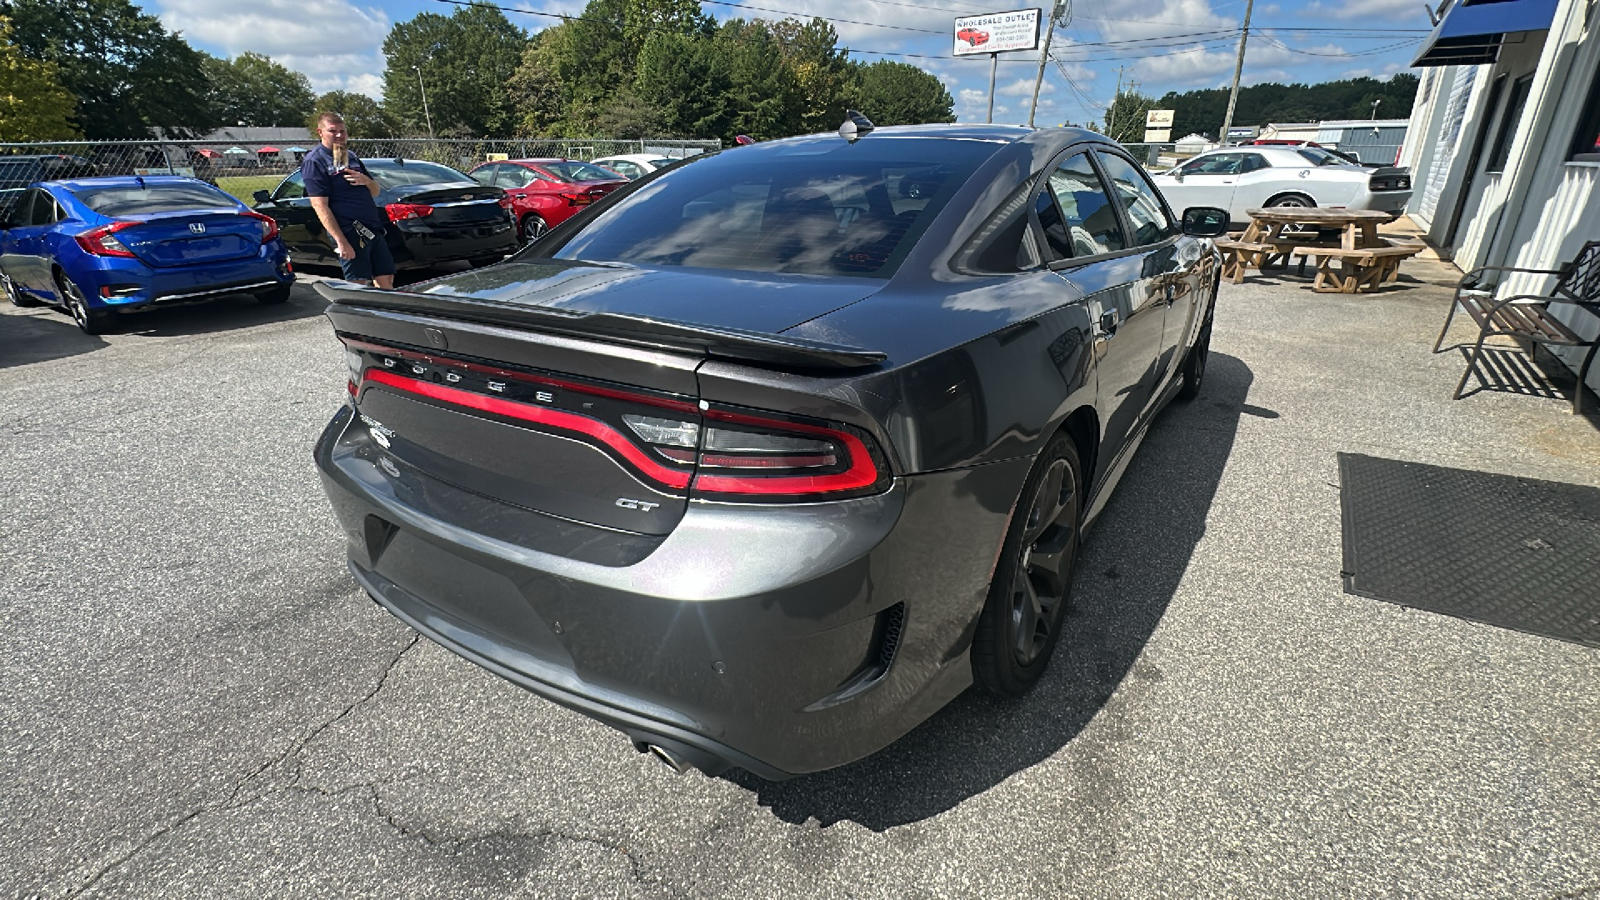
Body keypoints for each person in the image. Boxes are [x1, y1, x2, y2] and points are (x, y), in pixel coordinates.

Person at [302, 112, 394, 289]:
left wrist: (366, 181)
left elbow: (375, 191)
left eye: (342, 131)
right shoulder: (315, 161)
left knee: (385, 277)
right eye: (332, 131)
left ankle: (387, 314)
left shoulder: (351, 156)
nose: (339, 135)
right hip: (350, 230)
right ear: (320, 132)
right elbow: (319, 205)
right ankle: (360, 315)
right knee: (357, 283)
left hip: (372, 227)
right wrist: (341, 241)